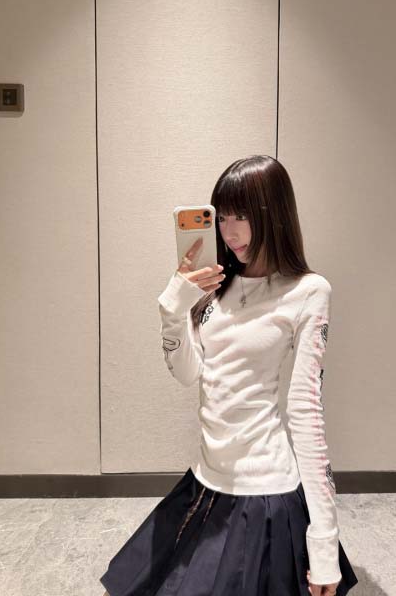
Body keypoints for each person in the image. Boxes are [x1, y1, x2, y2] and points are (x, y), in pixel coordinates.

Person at [100, 155, 359, 596]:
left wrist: (323, 543)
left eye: (242, 216)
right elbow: (189, 374)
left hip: (264, 488)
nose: (229, 232)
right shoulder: (217, 286)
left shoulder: (308, 292)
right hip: (205, 480)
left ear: (274, 214)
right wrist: (173, 308)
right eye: (222, 217)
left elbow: (306, 414)